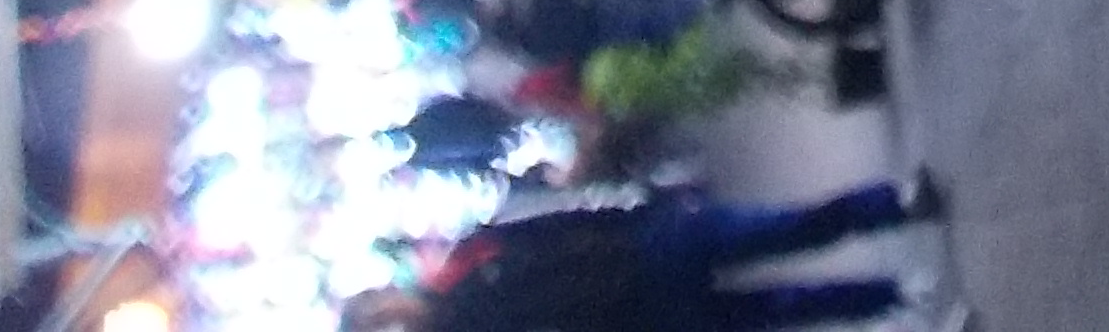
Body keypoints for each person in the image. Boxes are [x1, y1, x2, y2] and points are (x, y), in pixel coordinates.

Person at [343, 176, 943, 332]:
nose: (393, 319)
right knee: (779, 309)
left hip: (640, 248)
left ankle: (891, 205)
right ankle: (893, 297)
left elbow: (547, 223)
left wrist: (628, 207)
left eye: (380, 310)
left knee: (779, 228)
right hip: (641, 320)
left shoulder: (464, 262)